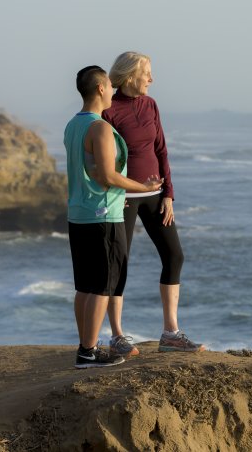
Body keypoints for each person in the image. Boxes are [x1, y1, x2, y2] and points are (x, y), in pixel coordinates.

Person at [102, 51, 205, 354]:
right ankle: (118, 336)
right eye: (147, 72)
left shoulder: (150, 105)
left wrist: (169, 194)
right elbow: (103, 159)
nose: (152, 78)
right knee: (118, 264)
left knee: (174, 257)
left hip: (156, 196)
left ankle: (171, 333)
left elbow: (161, 149)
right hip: (123, 199)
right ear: (131, 75)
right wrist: (111, 194)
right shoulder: (109, 110)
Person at [65, 65, 163, 368]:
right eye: (109, 85)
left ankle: (85, 348)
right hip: (102, 213)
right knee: (103, 286)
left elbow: (92, 170)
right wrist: (144, 187)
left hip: (79, 214)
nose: (113, 90)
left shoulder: (73, 125)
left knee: (85, 285)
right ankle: (89, 351)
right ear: (100, 89)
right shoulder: (100, 127)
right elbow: (107, 176)